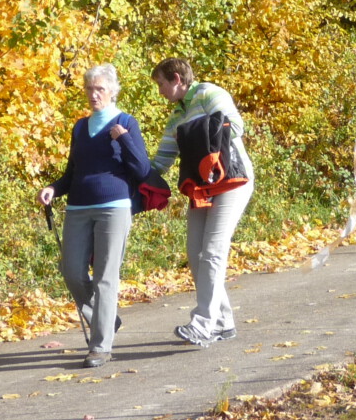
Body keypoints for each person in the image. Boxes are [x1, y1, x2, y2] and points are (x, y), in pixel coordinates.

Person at [39, 65, 150, 368]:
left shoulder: (126, 122)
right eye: (89, 88)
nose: (93, 94)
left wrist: (124, 139)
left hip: (114, 207)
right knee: (72, 271)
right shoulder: (79, 127)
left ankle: (100, 346)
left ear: (113, 91)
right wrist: (53, 188)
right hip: (77, 207)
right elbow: (73, 172)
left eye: (99, 88)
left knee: (105, 277)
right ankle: (105, 318)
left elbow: (142, 169)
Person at [151, 58, 252, 347]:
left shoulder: (209, 93)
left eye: (161, 84)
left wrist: (197, 137)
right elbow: (160, 163)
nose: (160, 91)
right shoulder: (175, 118)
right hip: (202, 188)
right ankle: (223, 322)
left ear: (176, 79)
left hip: (233, 180)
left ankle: (203, 325)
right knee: (196, 254)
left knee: (212, 252)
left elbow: (235, 128)